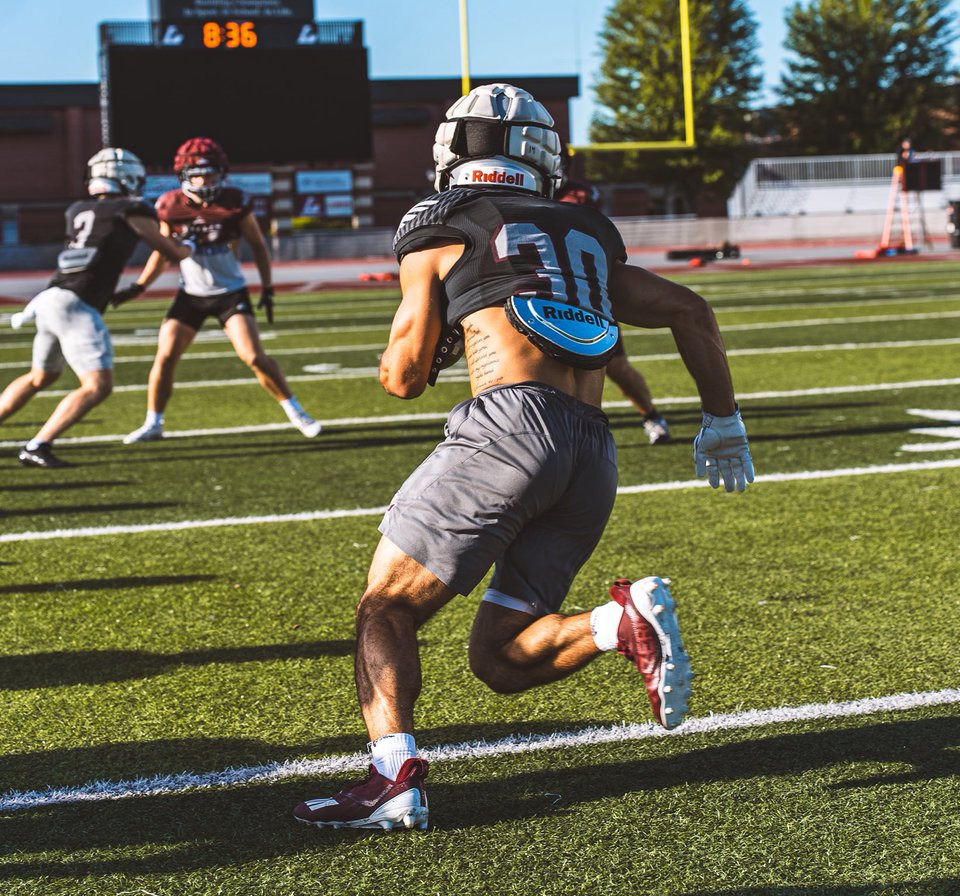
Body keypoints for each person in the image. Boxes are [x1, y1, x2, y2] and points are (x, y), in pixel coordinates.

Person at [293, 84, 754, 833]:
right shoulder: (588, 230)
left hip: (510, 427)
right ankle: (615, 624)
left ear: (453, 152)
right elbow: (689, 310)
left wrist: (430, 340)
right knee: (500, 658)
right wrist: (722, 421)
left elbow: (403, 380)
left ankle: (391, 780)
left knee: (386, 607)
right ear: (540, 156)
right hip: (591, 451)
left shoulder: (442, 221)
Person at [117, 137, 321, 442]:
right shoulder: (171, 206)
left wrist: (267, 287)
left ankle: (296, 412)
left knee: (253, 357)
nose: (204, 179)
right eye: (197, 174)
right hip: (191, 295)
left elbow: (258, 245)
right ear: (184, 176)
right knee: (165, 356)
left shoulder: (234, 202)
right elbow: (163, 251)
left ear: (221, 173)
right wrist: (140, 285)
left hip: (230, 292)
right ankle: (153, 422)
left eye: (210, 173)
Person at [0, 148, 194, 468]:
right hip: (77, 303)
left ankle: (36, 443)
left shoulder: (77, 209)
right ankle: (38, 445)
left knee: (40, 376)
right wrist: (189, 244)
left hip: (50, 297)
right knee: (98, 386)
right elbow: (167, 249)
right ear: (125, 177)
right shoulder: (132, 208)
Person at [557, 176, 671, 444]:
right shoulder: (521, 188)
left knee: (617, 369)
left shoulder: (579, 193)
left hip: (585, 295)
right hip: (537, 296)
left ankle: (651, 415)